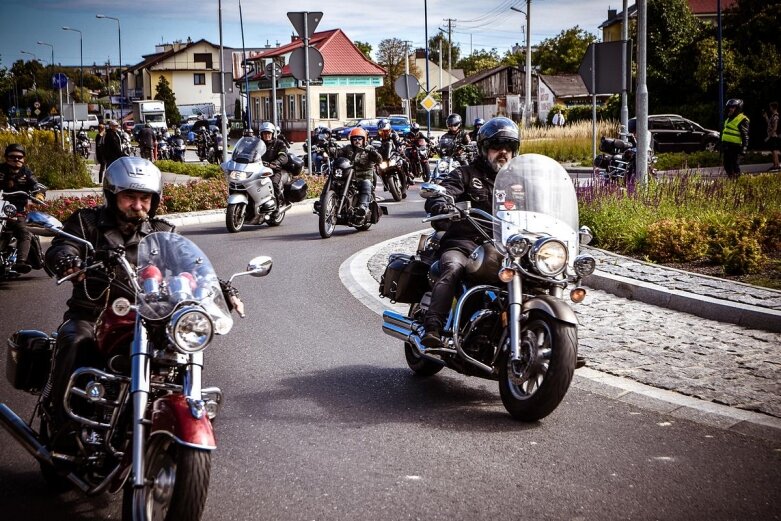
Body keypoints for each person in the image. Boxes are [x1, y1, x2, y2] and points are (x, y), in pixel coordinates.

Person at [43, 157, 242, 422]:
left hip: (149, 318)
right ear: (113, 195)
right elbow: (63, 246)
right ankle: (62, 424)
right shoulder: (86, 223)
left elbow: (190, 263)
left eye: (145, 198)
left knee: (180, 348)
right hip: (93, 315)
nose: (138, 205)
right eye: (130, 197)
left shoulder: (161, 231)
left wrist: (222, 287)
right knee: (75, 341)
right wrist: (67, 260)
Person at [420, 117, 520, 348]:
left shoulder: (520, 181)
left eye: (509, 147)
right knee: (453, 268)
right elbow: (443, 193)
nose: (503, 152)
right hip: (465, 243)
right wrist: (442, 205)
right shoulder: (466, 174)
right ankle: (433, 326)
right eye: (497, 146)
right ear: (485, 148)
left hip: (506, 247)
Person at [0, 144, 44, 273]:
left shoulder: (26, 173)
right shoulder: (0, 170)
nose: (16, 160)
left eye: (19, 157)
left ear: (24, 159)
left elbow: (37, 186)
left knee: (24, 232)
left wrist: (39, 195)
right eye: (12, 157)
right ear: (6, 158)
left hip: (16, 212)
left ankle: (21, 262)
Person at [338, 127, 382, 224]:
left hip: (364, 177)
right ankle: (324, 203)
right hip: (349, 177)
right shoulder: (348, 149)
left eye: (359, 139)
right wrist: (331, 149)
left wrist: (374, 154)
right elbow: (338, 153)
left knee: (366, 184)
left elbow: (379, 160)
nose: (357, 141)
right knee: (335, 182)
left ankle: (362, 209)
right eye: (354, 139)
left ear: (364, 139)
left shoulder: (369, 149)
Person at [259, 122, 289, 202]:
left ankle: (278, 204)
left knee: (273, 183)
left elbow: (283, 156)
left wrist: (275, 163)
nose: (267, 135)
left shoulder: (279, 143)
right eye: (264, 133)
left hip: (274, 170)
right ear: (261, 134)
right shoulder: (258, 144)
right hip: (259, 170)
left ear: (273, 134)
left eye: (269, 133)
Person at [720, 98, 750, 178]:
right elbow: (726, 132)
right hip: (727, 146)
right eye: (730, 107)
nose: (730, 109)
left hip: (736, 147)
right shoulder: (729, 118)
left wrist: (744, 148)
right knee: (726, 165)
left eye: (733, 107)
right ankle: (732, 180)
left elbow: (745, 135)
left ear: (738, 108)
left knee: (734, 165)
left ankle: (737, 181)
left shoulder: (742, 119)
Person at [763, 101, 780, 172]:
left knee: (774, 150)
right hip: (771, 136)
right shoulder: (773, 116)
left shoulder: (776, 116)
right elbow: (770, 125)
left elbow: (775, 128)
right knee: (773, 150)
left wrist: (769, 136)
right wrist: (766, 117)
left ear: (773, 108)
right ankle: (775, 164)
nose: (769, 108)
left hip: (773, 136)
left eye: (770, 107)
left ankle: (777, 165)